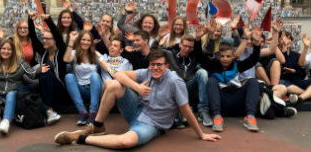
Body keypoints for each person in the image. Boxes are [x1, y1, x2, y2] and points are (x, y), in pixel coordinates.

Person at [54, 49, 221, 148]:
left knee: (126, 142)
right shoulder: (146, 72)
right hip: (136, 111)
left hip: (153, 124)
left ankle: (80, 138)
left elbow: (185, 109)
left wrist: (201, 134)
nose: (155, 68)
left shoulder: (175, 82)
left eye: (159, 65)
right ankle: (97, 126)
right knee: (113, 85)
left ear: (167, 66)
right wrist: (137, 87)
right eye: (152, 64)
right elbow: (118, 74)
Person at [195, 23, 262, 132]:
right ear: (218, 56)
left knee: (253, 81)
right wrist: (197, 39)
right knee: (211, 80)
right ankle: (217, 118)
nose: (225, 59)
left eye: (228, 56)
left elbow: (253, 59)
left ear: (233, 56)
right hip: (220, 104)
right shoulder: (213, 65)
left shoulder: (237, 65)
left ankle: (250, 117)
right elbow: (199, 57)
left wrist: (257, 43)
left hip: (238, 102)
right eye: (222, 56)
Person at [63, 30, 113, 125]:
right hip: (80, 89)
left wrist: (120, 75)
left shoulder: (96, 54)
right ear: (79, 41)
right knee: (68, 76)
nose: (85, 42)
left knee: (94, 75)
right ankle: (82, 112)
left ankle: (93, 113)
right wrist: (71, 41)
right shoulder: (74, 53)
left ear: (91, 43)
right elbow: (66, 59)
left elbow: (108, 68)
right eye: (83, 40)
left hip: (94, 89)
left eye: (88, 40)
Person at [28, 13, 68, 125]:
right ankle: (49, 110)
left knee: (45, 72)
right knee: (23, 89)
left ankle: (47, 109)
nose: (44, 40)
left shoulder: (61, 52)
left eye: (47, 39)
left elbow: (57, 35)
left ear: (54, 40)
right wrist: (30, 20)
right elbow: (32, 36)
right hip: (45, 86)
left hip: (59, 88)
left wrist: (48, 20)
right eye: (43, 38)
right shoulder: (43, 51)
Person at [166, 34, 212, 127]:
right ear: (180, 45)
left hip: (190, 86)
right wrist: (158, 38)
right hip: (177, 89)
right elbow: (153, 52)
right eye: (185, 46)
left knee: (202, 72)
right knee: (172, 74)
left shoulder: (195, 55)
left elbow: (208, 51)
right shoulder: (170, 53)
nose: (187, 49)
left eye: (190, 47)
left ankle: (203, 110)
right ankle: (183, 112)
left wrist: (209, 37)